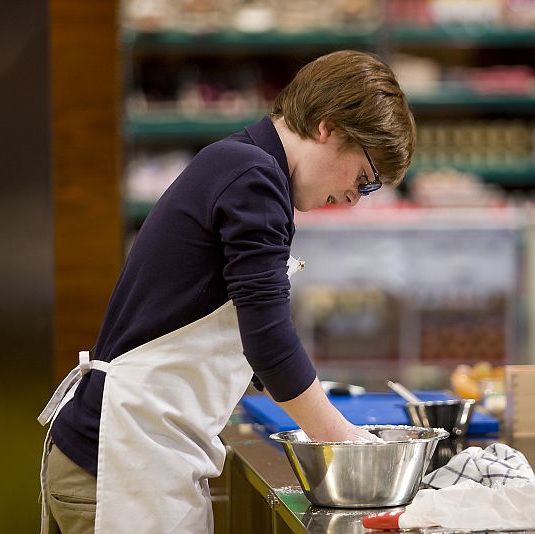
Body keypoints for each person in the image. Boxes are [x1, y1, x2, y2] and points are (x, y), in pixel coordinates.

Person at [37, 49, 416, 534]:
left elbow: (248, 332)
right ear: (329, 127)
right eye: (363, 179)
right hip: (121, 461)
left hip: (139, 452)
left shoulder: (246, 168)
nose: (352, 199)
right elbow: (269, 339)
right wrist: (347, 444)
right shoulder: (253, 178)